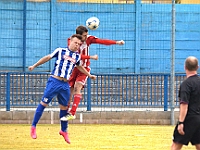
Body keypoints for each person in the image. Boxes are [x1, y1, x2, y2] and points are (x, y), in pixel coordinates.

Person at [29, 34, 96, 144]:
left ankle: (64, 130)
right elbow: (48, 57)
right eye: (75, 43)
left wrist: (89, 75)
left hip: (65, 84)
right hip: (54, 82)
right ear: (70, 41)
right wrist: (34, 65)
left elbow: (80, 66)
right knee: (43, 103)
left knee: (64, 108)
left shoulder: (77, 56)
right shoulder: (60, 51)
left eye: (79, 44)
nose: (77, 46)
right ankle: (33, 126)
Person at [60, 25, 125, 121]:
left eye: (87, 35)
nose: (86, 37)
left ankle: (72, 113)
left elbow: (102, 41)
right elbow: (77, 56)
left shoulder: (88, 39)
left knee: (78, 87)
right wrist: (90, 57)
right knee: (70, 91)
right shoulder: (71, 41)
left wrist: (116, 42)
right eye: (84, 36)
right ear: (78, 35)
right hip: (73, 68)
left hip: (84, 69)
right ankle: (66, 112)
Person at [171, 56, 200, 150]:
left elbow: (184, 104)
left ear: (185, 67)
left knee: (176, 145)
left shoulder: (186, 84)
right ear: (197, 67)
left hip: (189, 118)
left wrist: (181, 122)